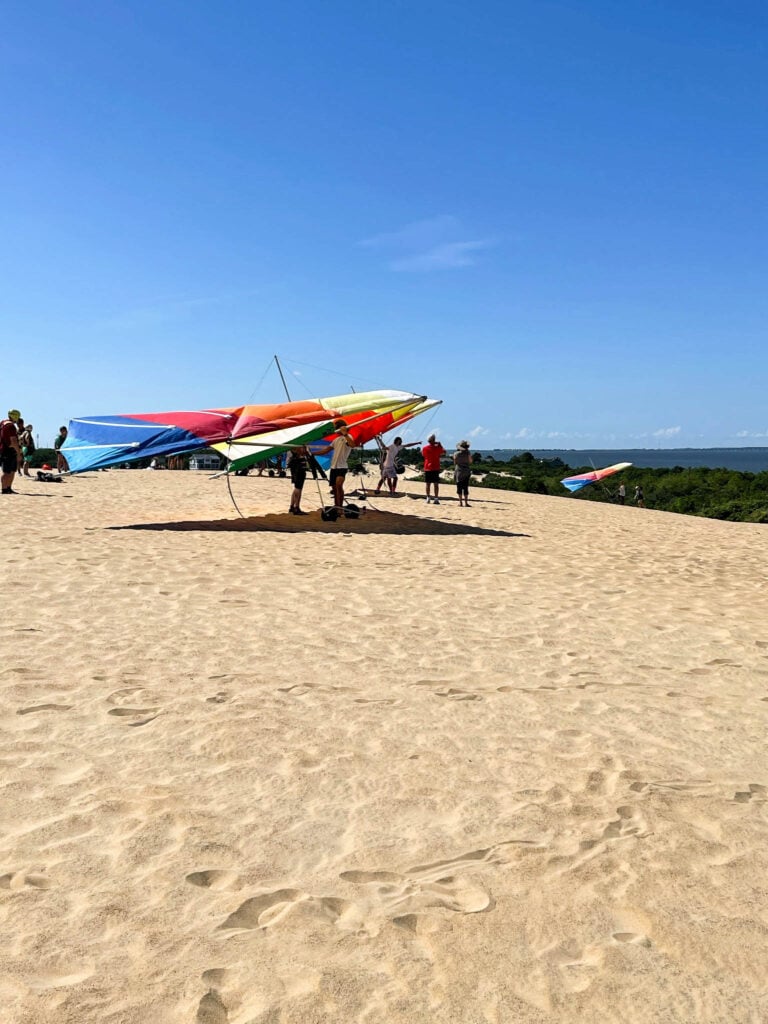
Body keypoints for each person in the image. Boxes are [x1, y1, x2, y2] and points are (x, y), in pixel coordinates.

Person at [317, 420, 357, 510]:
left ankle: (340, 507)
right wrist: (313, 453)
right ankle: (336, 505)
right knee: (334, 489)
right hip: (333, 467)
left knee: (339, 485)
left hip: (342, 466)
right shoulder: (336, 440)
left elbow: (352, 445)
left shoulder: (348, 437)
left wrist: (345, 434)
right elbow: (326, 450)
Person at [1, 410, 23, 494]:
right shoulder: (10, 426)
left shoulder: (3, 423)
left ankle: (8, 488)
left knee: (12, 470)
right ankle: (4, 489)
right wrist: (18, 453)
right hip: (8, 450)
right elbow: (13, 441)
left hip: (5, 449)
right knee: (7, 471)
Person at [422, 433, 446, 504]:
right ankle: (436, 498)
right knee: (436, 484)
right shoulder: (437, 448)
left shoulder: (425, 448)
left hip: (428, 467)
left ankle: (428, 497)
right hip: (435, 467)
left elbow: (423, 455)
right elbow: (444, 452)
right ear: (434, 440)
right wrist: (440, 445)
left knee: (428, 484)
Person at [287, 445, 310, 515]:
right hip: (298, 467)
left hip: (296, 466)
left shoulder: (296, 445)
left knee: (297, 487)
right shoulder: (297, 445)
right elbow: (301, 452)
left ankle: (292, 506)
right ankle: (296, 507)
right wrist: (305, 450)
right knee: (298, 488)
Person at [453, 440, 472, 507]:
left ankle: (460, 502)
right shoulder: (468, 453)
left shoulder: (456, 454)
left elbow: (455, 462)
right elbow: (470, 461)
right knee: (465, 487)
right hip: (466, 471)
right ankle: (466, 502)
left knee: (459, 487)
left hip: (459, 471)